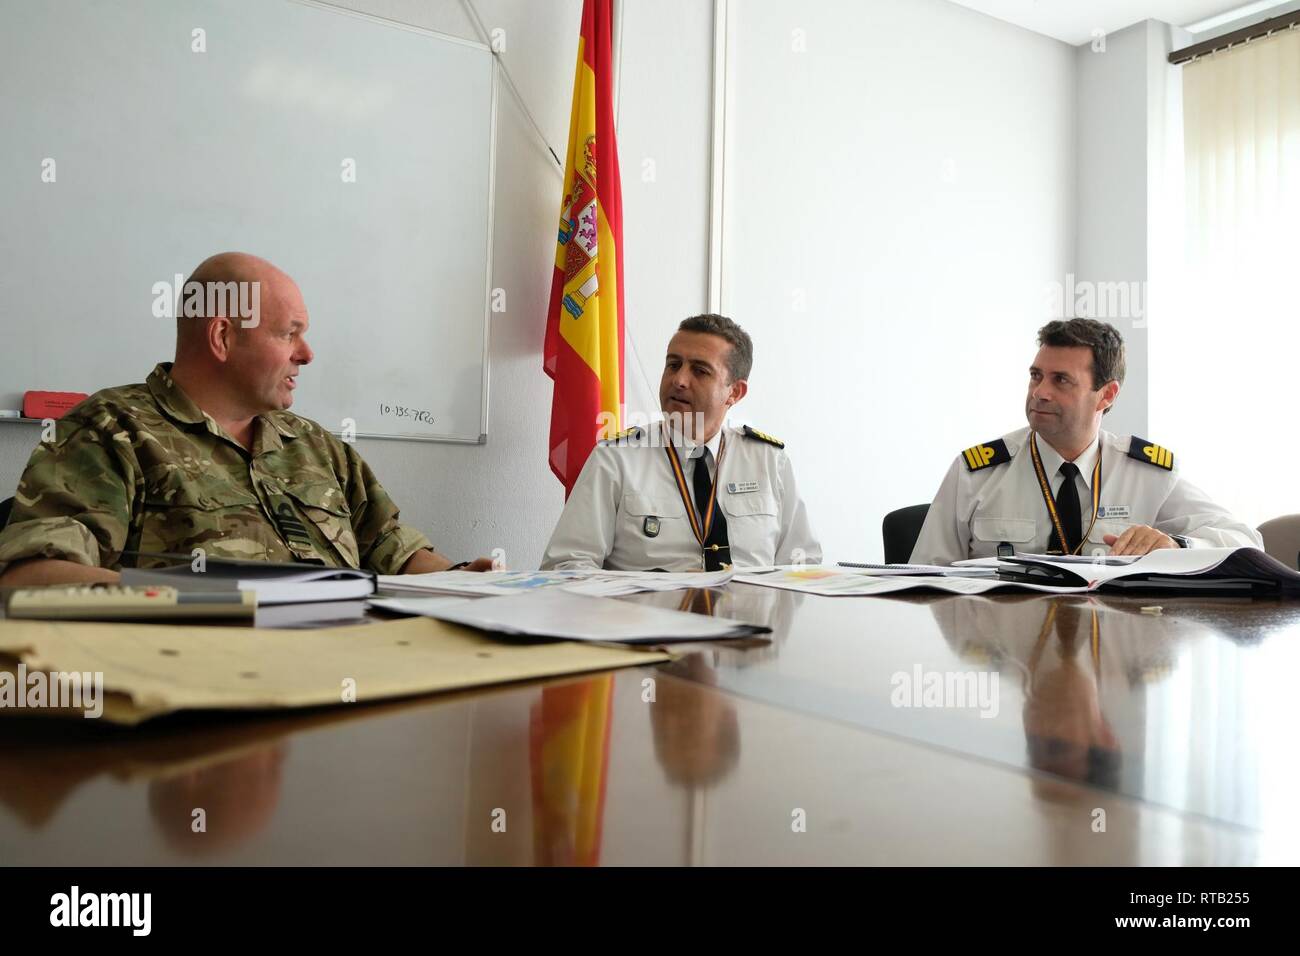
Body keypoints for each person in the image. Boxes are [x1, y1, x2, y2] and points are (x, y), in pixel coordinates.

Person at [0, 252, 492, 586]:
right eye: (289, 333)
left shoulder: (318, 447)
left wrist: (464, 582)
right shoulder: (111, 431)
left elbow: (396, 551)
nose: (307, 354)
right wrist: (205, 604)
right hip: (199, 694)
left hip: (342, 681)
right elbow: (33, 578)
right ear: (222, 337)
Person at [910, 318, 1261, 565]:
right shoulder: (978, 472)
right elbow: (922, 579)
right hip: (1004, 657)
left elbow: (1247, 543)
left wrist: (1177, 544)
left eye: (1061, 380)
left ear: (1106, 395)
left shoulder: (1146, 473)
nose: (1040, 393)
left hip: (1107, 656)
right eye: (1036, 376)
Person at [541, 314, 820, 571]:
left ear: (734, 392)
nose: (679, 380)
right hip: (650, 621)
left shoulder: (770, 461)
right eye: (673, 365)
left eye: (700, 371)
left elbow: (802, 565)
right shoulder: (617, 458)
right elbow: (566, 565)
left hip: (750, 620)